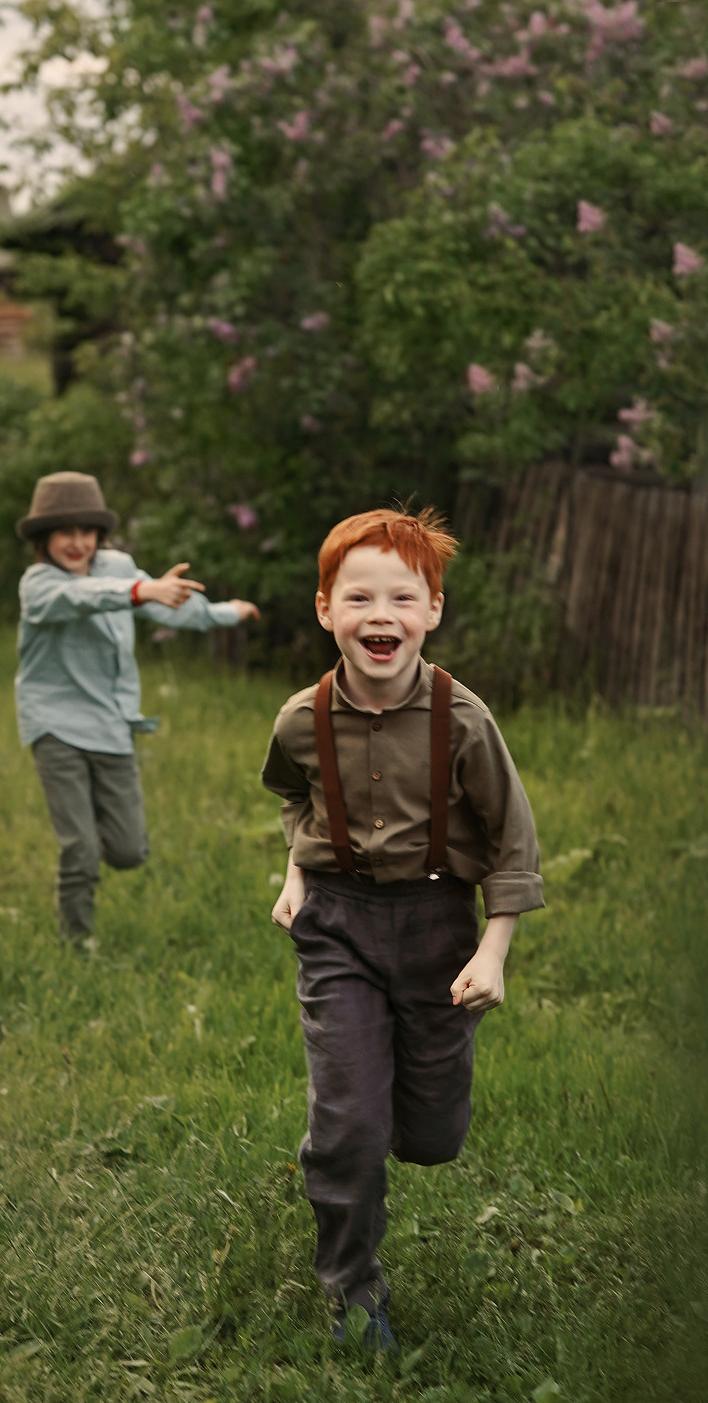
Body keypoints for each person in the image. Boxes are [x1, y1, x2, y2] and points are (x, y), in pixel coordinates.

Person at [261, 506, 543, 1352]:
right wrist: (298, 871)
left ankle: (380, 1126)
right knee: (350, 1127)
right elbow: (294, 798)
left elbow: (512, 839)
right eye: (359, 598)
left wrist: (493, 952)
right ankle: (354, 1290)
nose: (380, 616)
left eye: (402, 597)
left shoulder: (463, 721)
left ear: (432, 611)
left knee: (430, 1138)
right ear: (325, 609)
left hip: (437, 930)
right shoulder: (298, 719)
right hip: (338, 925)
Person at [15, 470, 259, 942]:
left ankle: (92, 854)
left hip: (111, 722)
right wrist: (136, 591)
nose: (77, 542)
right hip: (53, 723)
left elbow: (170, 602)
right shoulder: (38, 584)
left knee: (129, 851)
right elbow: (77, 598)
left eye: (87, 531)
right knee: (80, 848)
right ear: (43, 538)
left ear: (100, 535)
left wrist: (225, 612)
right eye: (64, 532)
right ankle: (77, 942)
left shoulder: (118, 567)